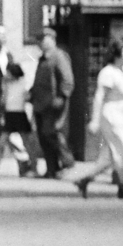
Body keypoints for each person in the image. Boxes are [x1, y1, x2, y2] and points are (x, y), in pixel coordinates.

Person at [73, 40, 123, 199]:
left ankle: (84, 179)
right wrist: (95, 119)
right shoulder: (108, 72)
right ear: (117, 55)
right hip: (112, 117)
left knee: (108, 157)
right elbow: (99, 96)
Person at [28, 27, 74, 179]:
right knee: (43, 138)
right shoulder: (43, 58)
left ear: (52, 39)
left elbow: (67, 80)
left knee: (52, 134)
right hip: (40, 105)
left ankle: (67, 162)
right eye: (39, 40)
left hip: (52, 105)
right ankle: (51, 169)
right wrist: (31, 93)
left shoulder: (58, 56)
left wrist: (61, 97)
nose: (40, 42)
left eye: (43, 39)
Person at [3, 56, 32, 173]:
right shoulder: (7, 84)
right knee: (5, 138)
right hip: (10, 113)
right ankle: (26, 163)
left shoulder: (22, 82)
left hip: (18, 112)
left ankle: (31, 164)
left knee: (26, 140)